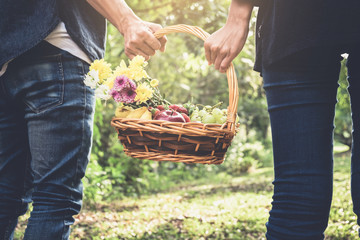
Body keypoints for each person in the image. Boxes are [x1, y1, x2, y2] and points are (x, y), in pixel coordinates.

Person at [0, 0, 166, 239]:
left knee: (5, 195)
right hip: (56, 48)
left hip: (6, 62)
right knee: (55, 199)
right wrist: (127, 20)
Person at [205, 0, 360, 239]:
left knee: (298, 201)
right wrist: (238, 13)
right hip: (293, 17)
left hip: (292, 19)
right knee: (299, 201)